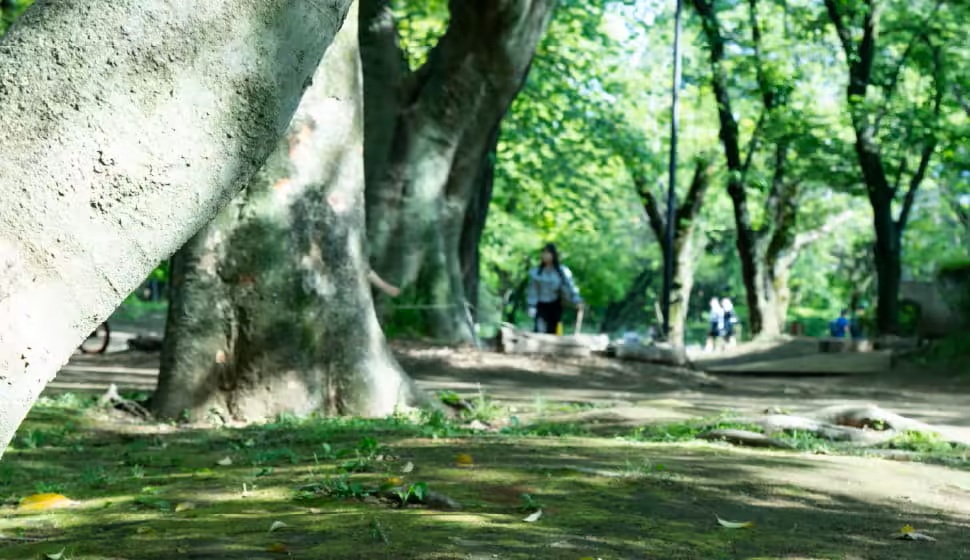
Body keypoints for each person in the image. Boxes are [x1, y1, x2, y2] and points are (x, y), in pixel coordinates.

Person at [526, 243, 583, 334]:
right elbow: (533, 291)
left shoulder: (562, 272)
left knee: (552, 331)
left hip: (555, 305)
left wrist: (577, 300)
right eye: (543, 253)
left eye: (548, 253)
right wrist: (531, 306)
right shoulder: (536, 272)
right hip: (541, 305)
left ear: (553, 255)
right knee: (540, 330)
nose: (545, 256)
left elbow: (570, 287)